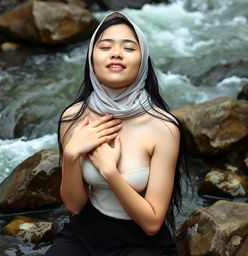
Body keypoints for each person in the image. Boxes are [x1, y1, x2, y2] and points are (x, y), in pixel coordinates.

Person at [45, 11, 188, 256]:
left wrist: (110, 172)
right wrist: (70, 156)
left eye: (129, 48)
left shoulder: (163, 127)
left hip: (140, 243)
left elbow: (153, 223)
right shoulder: (74, 117)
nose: (116, 54)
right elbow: (74, 206)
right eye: (105, 46)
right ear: (91, 57)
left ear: (143, 61)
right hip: (85, 233)